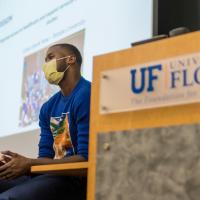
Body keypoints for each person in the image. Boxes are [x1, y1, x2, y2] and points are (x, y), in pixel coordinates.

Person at [0, 43, 91, 200]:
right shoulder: (48, 107)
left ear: (70, 59)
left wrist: (29, 164)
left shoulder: (86, 94)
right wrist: (15, 164)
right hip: (54, 176)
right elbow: (45, 157)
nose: (45, 65)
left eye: (50, 58)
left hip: (78, 180)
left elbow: (86, 161)